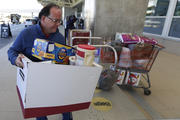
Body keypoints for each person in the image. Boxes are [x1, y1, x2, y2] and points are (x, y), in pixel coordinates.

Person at [7, 3, 72, 120]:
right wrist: (16, 59)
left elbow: (64, 56)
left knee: (65, 106)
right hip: (35, 82)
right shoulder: (26, 34)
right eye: (55, 20)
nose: (58, 24)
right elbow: (12, 51)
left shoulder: (60, 37)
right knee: (40, 111)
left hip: (57, 79)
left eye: (59, 21)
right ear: (43, 18)